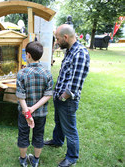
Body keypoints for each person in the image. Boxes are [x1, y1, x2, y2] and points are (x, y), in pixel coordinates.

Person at [44, 24, 90, 167]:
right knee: (59, 123)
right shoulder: (70, 50)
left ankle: (72, 157)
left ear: (65, 37)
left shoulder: (80, 53)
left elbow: (75, 85)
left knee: (69, 129)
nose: (56, 42)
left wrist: (63, 98)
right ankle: (57, 141)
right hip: (60, 97)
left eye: (57, 39)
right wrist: (58, 97)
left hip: (67, 100)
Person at [16, 41, 54, 167]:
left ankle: (23, 160)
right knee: (39, 134)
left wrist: (28, 111)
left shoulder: (22, 73)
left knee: (23, 134)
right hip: (41, 112)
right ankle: (35, 160)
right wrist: (33, 108)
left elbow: (21, 96)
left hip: (24, 112)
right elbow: (48, 95)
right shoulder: (47, 73)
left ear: (28, 55)